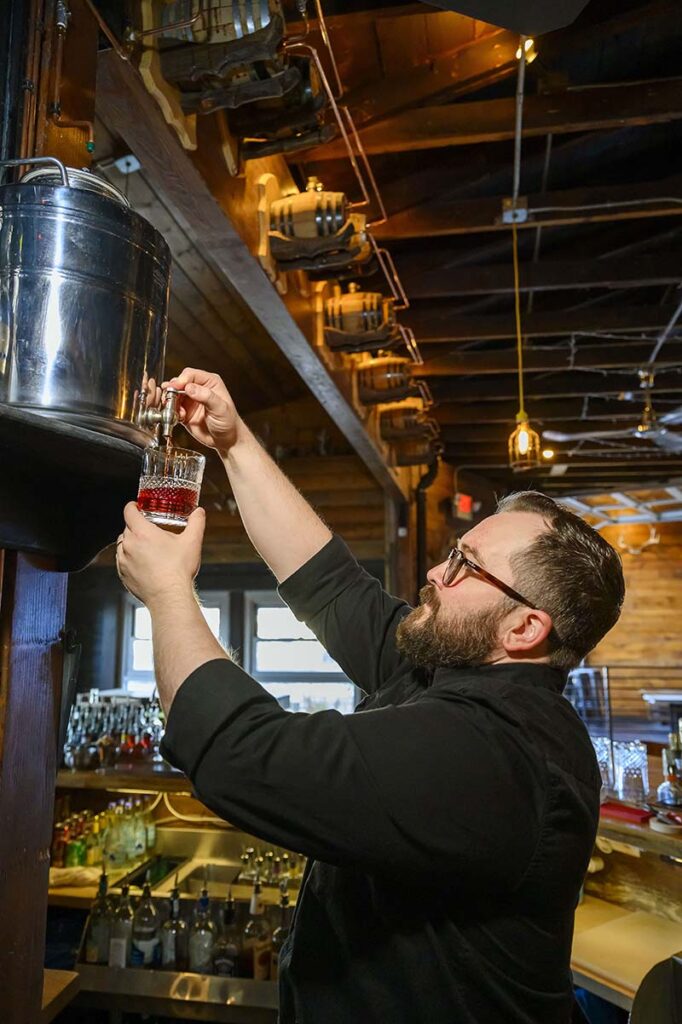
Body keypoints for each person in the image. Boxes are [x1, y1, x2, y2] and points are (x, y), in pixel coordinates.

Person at [116, 368, 625, 1024]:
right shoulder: (448, 663)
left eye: (466, 567)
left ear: (525, 628)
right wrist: (233, 442)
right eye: (452, 553)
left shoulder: (499, 755)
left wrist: (166, 594)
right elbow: (329, 584)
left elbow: (242, 755)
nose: (437, 574)